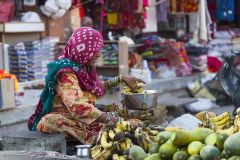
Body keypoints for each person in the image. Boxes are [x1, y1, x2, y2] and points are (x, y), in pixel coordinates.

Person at [28, 27, 143, 144]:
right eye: (95, 50)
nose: (98, 54)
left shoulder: (84, 67)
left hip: (81, 120)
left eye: (99, 50)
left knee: (129, 121)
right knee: (50, 121)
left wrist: (120, 79)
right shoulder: (65, 73)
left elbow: (93, 89)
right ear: (83, 50)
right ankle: (98, 140)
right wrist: (117, 121)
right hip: (67, 118)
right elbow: (78, 107)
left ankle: (105, 135)